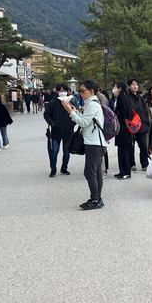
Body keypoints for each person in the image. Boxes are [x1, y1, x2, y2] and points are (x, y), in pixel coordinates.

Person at [65, 80, 107, 210]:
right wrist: (76, 112)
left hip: (94, 143)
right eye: (80, 91)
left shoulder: (93, 105)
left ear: (92, 91)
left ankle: (95, 199)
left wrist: (70, 113)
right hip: (96, 143)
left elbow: (83, 123)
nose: (80, 93)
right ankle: (97, 198)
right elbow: (87, 121)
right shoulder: (91, 104)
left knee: (89, 172)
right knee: (96, 172)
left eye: (83, 91)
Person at [43, 83, 76, 177]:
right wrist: (52, 123)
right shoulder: (53, 103)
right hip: (56, 130)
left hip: (68, 130)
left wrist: (72, 124)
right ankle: (53, 168)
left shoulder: (71, 102)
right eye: (61, 91)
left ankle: (64, 168)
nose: (63, 93)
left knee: (66, 151)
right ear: (57, 91)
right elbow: (46, 114)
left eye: (65, 91)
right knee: (54, 150)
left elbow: (75, 113)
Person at [127, 79, 150, 172]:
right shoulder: (127, 98)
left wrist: (146, 122)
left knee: (143, 146)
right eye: (132, 84)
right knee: (131, 146)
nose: (135, 86)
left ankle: (144, 163)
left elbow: (145, 111)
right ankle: (131, 163)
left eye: (136, 84)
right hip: (131, 125)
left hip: (141, 126)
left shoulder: (140, 99)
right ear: (129, 86)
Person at [113, 81, 134, 179]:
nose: (114, 88)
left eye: (115, 86)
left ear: (120, 88)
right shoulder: (123, 97)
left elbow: (123, 113)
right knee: (123, 151)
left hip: (123, 129)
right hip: (124, 129)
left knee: (123, 152)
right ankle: (123, 171)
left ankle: (125, 172)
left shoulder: (122, 98)